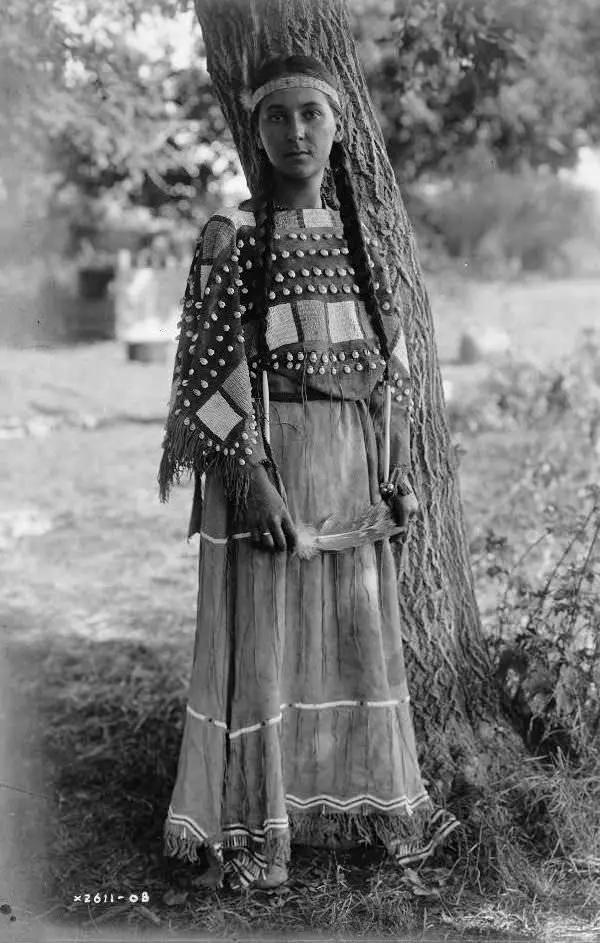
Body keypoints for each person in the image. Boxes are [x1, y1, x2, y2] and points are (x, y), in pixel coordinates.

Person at [159, 54, 459, 891]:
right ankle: (265, 832)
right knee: (269, 640)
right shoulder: (232, 238)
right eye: (277, 116)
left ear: (338, 125)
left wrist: (399, 475)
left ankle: (364, 806)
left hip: (350, 467)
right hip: (271, 466)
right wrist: (252, 479)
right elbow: (208, 377)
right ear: (255, 131)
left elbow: (391, 377)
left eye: (311, 114)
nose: (296, 131)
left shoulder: (364, 245)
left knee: (355, 634)